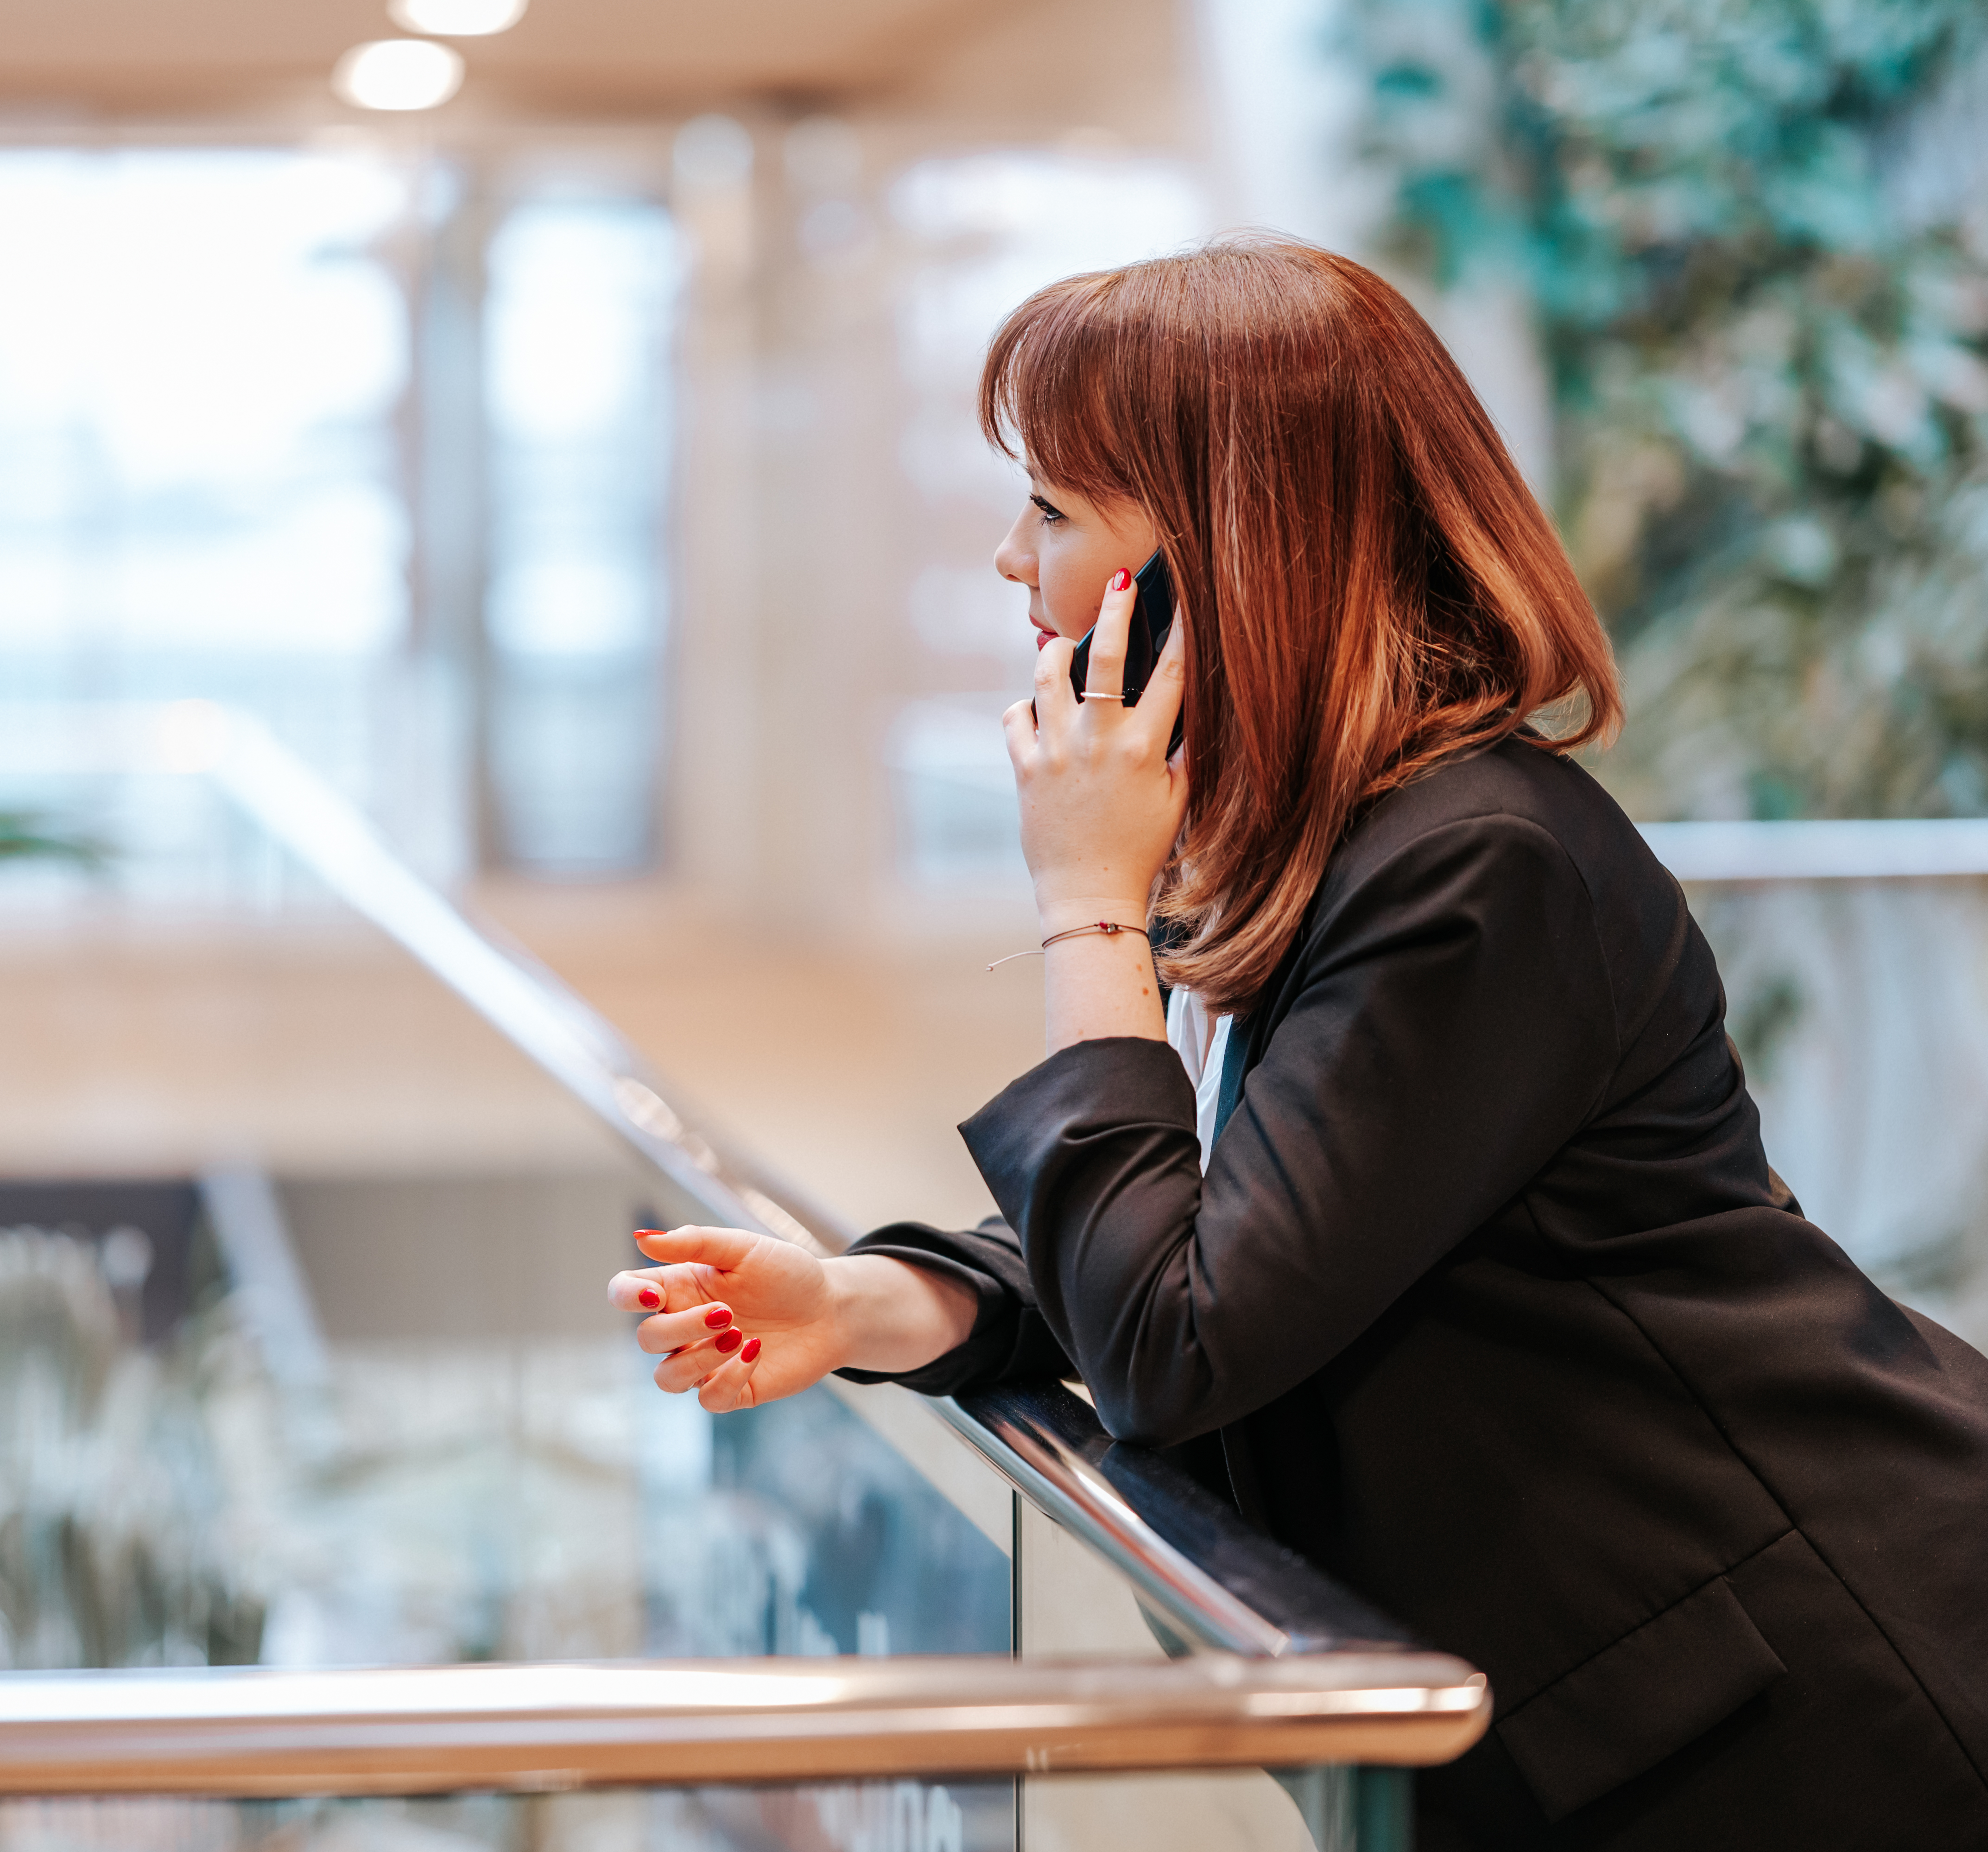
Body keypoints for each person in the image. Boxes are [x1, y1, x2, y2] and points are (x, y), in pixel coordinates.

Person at [605, 238, 1988, 1848]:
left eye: (1052, 511)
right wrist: (875, 1297)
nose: (1006, 560)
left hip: (1822, 1692)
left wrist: (1089, 912)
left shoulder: (1478, 863)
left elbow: (1181, 1336)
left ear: (1214, 561)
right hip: (1657, 1702)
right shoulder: (1347, 842)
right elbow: (1262, 1224)